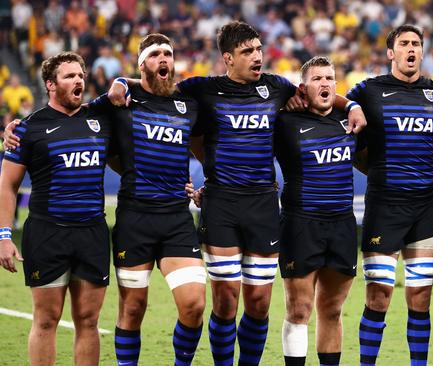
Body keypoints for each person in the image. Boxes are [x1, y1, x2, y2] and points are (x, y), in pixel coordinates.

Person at [107, 21, 366, 366]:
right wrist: (123, 81)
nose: (257, 57)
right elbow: (158, 85)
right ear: (228, 58)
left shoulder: (275, 87)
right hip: (221, 205)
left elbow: (319, 92)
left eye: (259, 49)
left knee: (259, 302)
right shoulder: (202, 89)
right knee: (226, 300)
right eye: (248, 52)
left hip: (262, 206)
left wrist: (350, 106)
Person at [92, 33, 207, 366]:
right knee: (132, 308)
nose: (164, 59)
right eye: (155, 53)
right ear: (142, 63)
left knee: (194, 305)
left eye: (168, 54)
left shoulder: (189, 104)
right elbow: (72, 114)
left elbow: (207, 145)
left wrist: (208, 182)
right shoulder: (119, 101)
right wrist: (19, 128)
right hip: (134, 219)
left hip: (176, 220)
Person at [346, 24, 433, 366]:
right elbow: (339, 108)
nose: (411, 48)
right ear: (391, 53)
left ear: (423, 52)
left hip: (424, 209)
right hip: (383, 206)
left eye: (416, 44)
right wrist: (375, 167)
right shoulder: (369, 90)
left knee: (420, 298)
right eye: (404, 43)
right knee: (378, 296)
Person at [0, 52, 112, 365]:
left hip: (92, 233)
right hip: (47, 234)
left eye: (81, 75)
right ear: (51, 84)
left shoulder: (100, 119)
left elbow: (128, 90)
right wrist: (4, 236)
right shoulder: (27, 129)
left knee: (89, 321)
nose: (78, 81)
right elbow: (8, 186)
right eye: (69, 76)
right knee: (46, 320)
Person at [274, 56, 357, 366]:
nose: (325, 84)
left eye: (329, 78)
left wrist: (352, 106)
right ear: (302, 88)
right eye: (317, 79)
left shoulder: (348, 120)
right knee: (299, 310)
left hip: (342, 225)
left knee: (332, 310)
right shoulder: (284, 123)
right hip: (301, 224)